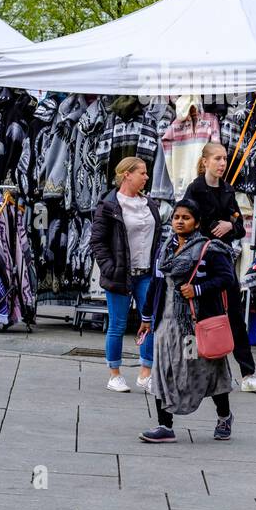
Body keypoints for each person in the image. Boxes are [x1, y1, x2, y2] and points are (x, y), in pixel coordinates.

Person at [136, 197, 235, 442]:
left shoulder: (209, 250)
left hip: (195, 325)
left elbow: (226, 278)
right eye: (177, 217)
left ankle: (224, 416)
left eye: (186, 218)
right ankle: (164, 426)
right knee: (162, 370)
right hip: (166, 324)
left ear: (197, 222)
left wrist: (198, 289)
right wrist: (147, 316)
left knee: (206, 370)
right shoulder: (165, 249)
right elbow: (155, 284)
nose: (180, 222)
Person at [184, 142, 256, 393]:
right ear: (205, 162)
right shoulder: (195, 190)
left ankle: (248, 373)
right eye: (218, 159)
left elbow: (240, 227)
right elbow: (184, 222)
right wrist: (207, 227)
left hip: (223, 262)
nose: (222, 163)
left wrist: (230, 226)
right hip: (198, 262)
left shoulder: (228, 190)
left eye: (225, 159)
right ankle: (188, 369)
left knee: (234, 315)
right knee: (192, 318)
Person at [90, 157, 159, 392]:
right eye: (142, 172)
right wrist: (109, 267)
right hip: (120, 274)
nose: (146, 177)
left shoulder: (149, 204)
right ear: (127, 175)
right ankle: (115, 373)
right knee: (117, 324)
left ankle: (146, 372)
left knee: (149, 321)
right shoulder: (109, 205)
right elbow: (97, 241)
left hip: (146, 273)